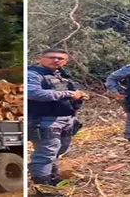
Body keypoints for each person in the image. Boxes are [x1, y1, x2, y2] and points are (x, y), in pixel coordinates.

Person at [27, 48, 88, 186]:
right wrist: (68, 94)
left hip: (66, 118)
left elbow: (71, 93)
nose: (56, 60)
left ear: (66, 61)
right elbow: (33, 93)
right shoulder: (33, 74)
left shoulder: (62, 75)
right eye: (51, 57)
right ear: (41, 58)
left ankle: (52, 178)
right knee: (46, 153)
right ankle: (42, 186)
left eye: (60, 58)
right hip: (44, 119)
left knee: (58, 150)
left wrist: (79, 97)